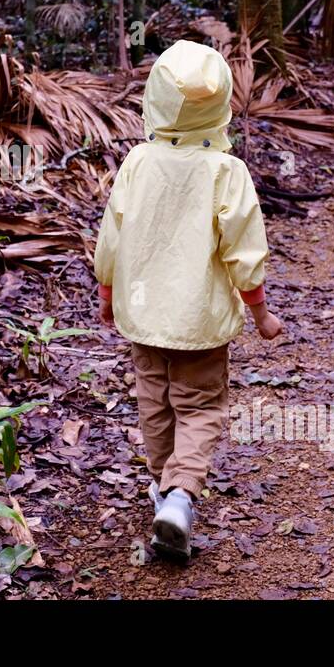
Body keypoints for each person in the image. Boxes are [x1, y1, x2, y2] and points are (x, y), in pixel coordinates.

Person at [94, 39, 284, 562]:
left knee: (154, 403)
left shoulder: (137, 163)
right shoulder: (226, 172)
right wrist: (261, 312)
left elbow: (113, 235)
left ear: (153, 99)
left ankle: (163, 486)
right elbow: (244, 249)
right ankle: (180, 494)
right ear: (221, 106)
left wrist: (108, 292)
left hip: (144, 314)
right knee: (199, 405)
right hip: (199, 319)